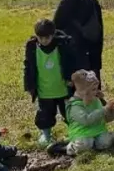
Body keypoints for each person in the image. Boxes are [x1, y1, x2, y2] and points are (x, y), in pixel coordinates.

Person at [24, 18, 78, 147]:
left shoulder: (63, 44)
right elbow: (28, 66)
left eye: (47, 37)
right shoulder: (32, 46)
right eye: (40, 37)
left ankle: (75, 132)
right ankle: (46, 134)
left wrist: (71, 78)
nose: (43, 41)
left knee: (70, 113)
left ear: (53, 34)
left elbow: (71, 61)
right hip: (44, 89)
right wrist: (29, 85)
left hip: (63, 88)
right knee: (44, 114)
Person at [53, 0, 106, 98]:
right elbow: (58, 21)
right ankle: (81, 101)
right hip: (78, 44)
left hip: (92, 42)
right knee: (83, 73)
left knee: (93, 71)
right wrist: (73, 36)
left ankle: (95, 98)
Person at [65, 70, 114, 156]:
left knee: (104, 143)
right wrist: (104, 109)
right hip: (81, 133)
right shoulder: (75, 106)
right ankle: (70, 147)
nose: (97, 92)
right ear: (84, 92)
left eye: (97, 89)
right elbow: (86, 120)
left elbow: (105, 118)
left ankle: (106, 138)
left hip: (98, 130)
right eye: (93, 89)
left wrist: (112, 110)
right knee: (85, 144)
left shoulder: (96, 100)